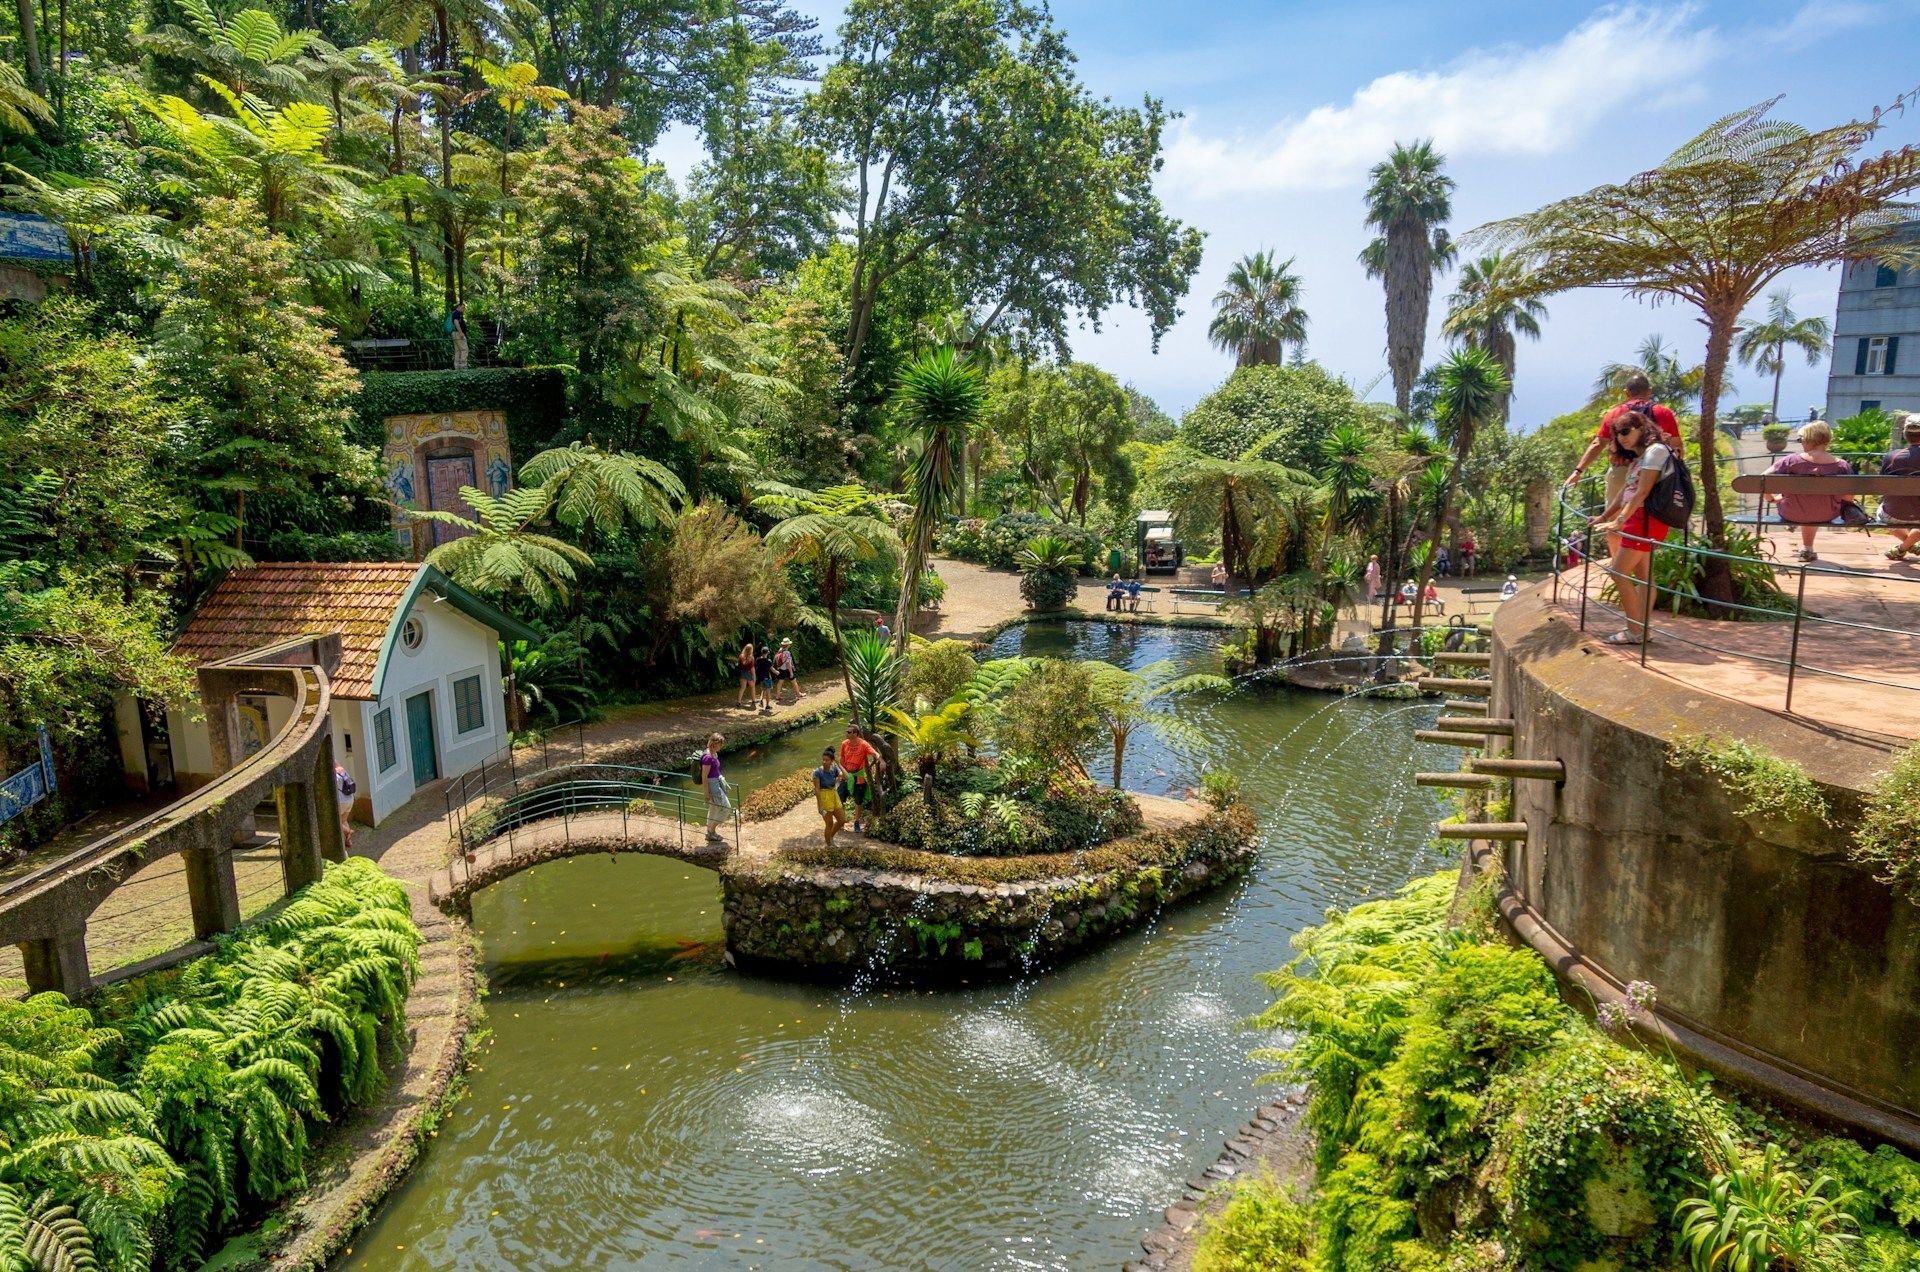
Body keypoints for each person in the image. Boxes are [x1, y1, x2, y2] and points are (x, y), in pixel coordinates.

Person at [1563, 371, 1682, 552]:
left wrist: (1578, 471)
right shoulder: (1663, 412)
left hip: (1621, 470)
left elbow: (1598, 443)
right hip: (1655, 473)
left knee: (1615, 520)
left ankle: (1617, 563)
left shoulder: (1616, 413)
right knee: (1651, 517)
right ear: (1649, 391)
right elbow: (1677, 448)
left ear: (1627, 392)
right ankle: (1645, 563)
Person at [1590, 408, 1677, 645]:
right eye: (1618, 433)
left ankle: (1635, 630)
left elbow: (1642, 492)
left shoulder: (1655, 452)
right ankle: (1641, 629)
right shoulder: (1641, 457)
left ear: (1641, 429)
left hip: (1644, 520)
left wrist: (1620, 519)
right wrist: (1604, 516)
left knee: (1618, 572)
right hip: (1639, 519)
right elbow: (1624, 492)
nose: (1622, 437)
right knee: (1644, 577)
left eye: (1626, 431)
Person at [1765, 420, 1853, 562]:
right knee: (1815, 503)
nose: (1801, 443)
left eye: (1801, 440)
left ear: (1809, 440)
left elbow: (1762, 479)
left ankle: (1796, 528)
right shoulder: (1842, 466)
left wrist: (1771, 499)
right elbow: (1849, 498)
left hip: (1791, 512)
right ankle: (1807, 549)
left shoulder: (1791, 460)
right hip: (1826, 513)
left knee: (1796, 499)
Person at [1880, 414, 1920, 561]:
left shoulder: (1891, 457)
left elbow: (1881, 485)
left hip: (1893, 514)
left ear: (1905, 434)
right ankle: (1909, 545)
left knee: (1881, 512)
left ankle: (1904, 547)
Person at [837, 723, 885, 835]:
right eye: (846, 731)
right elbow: (842, 759)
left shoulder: (863, 744)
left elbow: (875, 753)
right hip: (847, 774)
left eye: (849, 732)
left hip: (858, 776)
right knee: (840, 798)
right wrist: (840, 773)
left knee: (858, 800)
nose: (846, 734)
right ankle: (842, 820)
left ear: (855, 734)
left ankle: (857, 822)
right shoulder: (844, 744)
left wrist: (881, 761)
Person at [699, 734, 731, 843]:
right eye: (720, 745)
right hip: (712, 785)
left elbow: (715, 770)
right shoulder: (707, 757)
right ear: (714, 744)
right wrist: (706, 793)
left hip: (717, 782)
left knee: (714, 808)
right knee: (726, 808)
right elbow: (704, 776)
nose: (721, 747)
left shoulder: (714, 754)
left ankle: (709, 831)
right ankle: (712, 831)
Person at [812, 748, 846, 846]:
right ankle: (829, 845)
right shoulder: (817, 772)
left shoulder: (834, 769)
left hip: (834, 795)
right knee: (829, 824)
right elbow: (817, 789)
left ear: (831, 761)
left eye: (827, 760)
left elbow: (846, 777)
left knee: (842, 820)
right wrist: (820, 806)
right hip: (824, 797)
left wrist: (839, 764)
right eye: (823, 759)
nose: (824, 762)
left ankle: (830, 837)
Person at [333, 762, 356, 850]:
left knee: (337, 822)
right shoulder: (342, 771)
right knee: (343, 820)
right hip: (350, 799)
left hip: (341, 801)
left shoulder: (333, 774)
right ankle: (349, 841)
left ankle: (347, 833)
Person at [773, 637, 800, 703]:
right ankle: (798, 694)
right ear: (788, 645)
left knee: (780, 682)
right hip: (787, 669)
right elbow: (788, 663)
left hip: (781, 669)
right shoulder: (787, 653)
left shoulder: (780, 651)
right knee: (794, 681)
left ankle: (777, 696)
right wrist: (791, 672)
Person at [754, 645, 776, 713]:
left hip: (761, 678)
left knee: (763, 689)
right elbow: (772, 669)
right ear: (767, 652)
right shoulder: (768, 661)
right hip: (767, 677)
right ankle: (767, 705)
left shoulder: (758, 659)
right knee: (768, 691)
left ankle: (761, 700)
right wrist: (777, 672)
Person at [448, 302, 470, 370]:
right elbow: (456, 322)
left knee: (458, 350)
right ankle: (463, 366)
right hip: (458, 333)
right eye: (463, 307)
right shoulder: (457, 313)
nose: (464, 309)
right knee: (464, 349)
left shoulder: (455, 313)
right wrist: (461, 333)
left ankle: (457, 367)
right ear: (459, 307)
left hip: (455, 333)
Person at [735, 642, 757, 708]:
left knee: (742, 688)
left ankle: (739, 702)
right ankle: (753, 701)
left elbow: (738, 664)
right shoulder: (751, 658)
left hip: (742, 673)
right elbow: (752, 669)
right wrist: (754, 678)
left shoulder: (741, 656)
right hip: (749, 673)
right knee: (752, 687)